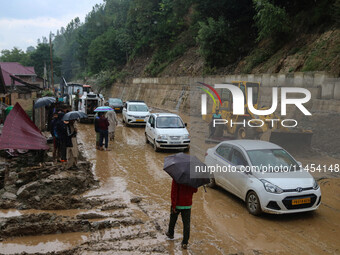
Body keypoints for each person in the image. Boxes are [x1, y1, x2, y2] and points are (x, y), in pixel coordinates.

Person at [166, 179, 198, 249]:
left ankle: (170, 234)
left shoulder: (177, 176)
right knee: (186, 224)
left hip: (177, 204)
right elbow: (195, 190)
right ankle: (185, 243)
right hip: (187, 204)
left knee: (173, 219)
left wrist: (173, 205)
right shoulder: (192, 178)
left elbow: (174, 191)